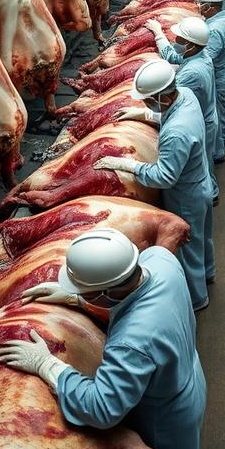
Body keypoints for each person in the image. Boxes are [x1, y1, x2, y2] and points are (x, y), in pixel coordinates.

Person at [0, 228, 206, 449]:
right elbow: (135, 297)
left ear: (104, 293)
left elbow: (102, 408)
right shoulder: (160, 258)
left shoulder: (131, 342)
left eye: (86, 292)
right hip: (189, 377)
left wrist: (47, 365)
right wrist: (78, 299)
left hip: (165, 419)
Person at [92, 60, 215, 311]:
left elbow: (164, 177)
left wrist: (129, 165)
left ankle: (195, 299)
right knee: (202, 240)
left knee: (186, 248)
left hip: (185, 195)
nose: (146, 104)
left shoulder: (176, 133)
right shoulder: (186, 95)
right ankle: (208, 274)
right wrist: (145, 114)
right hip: (200, 183)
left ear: (165, 98)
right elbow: (173, 112)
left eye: (149, 101)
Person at [147, 16, 222, 196]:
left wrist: (144, 114)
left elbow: (171, 102)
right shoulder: (198, 56)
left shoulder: (191, 73)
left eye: (179, 39)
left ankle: (211, 195)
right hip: (207, 117)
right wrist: (158, 33)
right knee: (205, 163)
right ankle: (211, 191)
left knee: (199, 166)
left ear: (191, 45)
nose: (175, 41)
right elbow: (173, 55)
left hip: (202, 122)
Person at [196, 0, 225, 156]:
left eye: (201, 3)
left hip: (217, 74)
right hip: (223, 70)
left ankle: (218, 151)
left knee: (215, 113)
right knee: (222, 109)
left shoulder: (214, 29)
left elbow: (207, 57)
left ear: (210, 6)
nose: (198, 6)